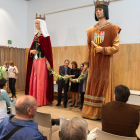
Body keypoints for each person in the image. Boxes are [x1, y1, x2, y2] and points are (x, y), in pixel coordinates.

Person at [82, 0, 121, 119]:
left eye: (100, 9)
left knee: (104, 86)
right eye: (96, 10)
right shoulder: (90, 31)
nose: (98, 12)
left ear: (105, 10)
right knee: (92, 86)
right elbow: (88, 48)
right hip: (94, 65)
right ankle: (91, 112)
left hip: (105, 65)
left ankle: (104, 114)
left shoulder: (113, 28)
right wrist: (86, 63)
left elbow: (116, 48)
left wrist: (102, 50)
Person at [25, 14, 54, 106]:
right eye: (35, 23)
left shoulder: (46, 37)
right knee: (34, 79)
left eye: (37, 23)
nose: (36, 25)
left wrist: (47, 62)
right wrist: (31, 52)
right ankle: (33, 99)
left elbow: (48, 52)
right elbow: (31, 48)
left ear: (41, 24)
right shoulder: (36, 36)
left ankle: (41, 100)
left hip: (42, 61)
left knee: (41, 80)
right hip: (35, 61)